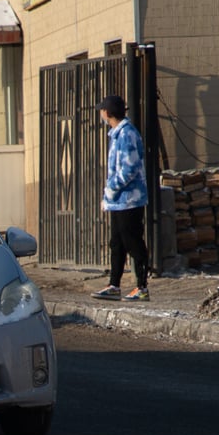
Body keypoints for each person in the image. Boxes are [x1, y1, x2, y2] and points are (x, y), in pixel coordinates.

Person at [92, 94, 151, 301]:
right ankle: (114, 285)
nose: (101, 113)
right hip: (119, 201)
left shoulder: (127, 134)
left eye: (102, 110)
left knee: (133, 241)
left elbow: (129, 168)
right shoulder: (116, 134)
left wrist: (111, 189)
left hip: (130, 199)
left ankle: (142, 287)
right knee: (116, 242)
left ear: (107, 113)